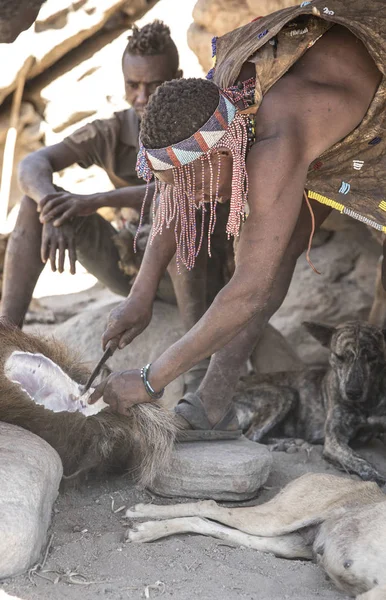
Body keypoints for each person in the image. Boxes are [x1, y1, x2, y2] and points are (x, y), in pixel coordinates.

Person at [90, 0, 386, 436]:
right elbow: (176, 195)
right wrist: (141, 292)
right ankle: (213, 402)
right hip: (326, 98)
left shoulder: (275, 147)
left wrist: (152, 378)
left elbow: (247, 291)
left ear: (223, 150)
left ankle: (213, 399)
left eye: (197, 183)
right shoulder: (215, 105)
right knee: (277, 245)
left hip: (369, 112)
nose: (193, 199)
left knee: (268, 258)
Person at [1, 21, 182, 328]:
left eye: (154, 85)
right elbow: (32, 164)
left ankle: (198, 365)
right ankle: (7, 332)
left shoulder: (198, 124)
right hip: (132, 269)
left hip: (192, 270)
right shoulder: (112, 131)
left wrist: (98, 200)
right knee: (37, 202)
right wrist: (51, 206)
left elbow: (181, 195)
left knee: (179, 221)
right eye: (133, 85)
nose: (142, 97)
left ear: (177, 79)